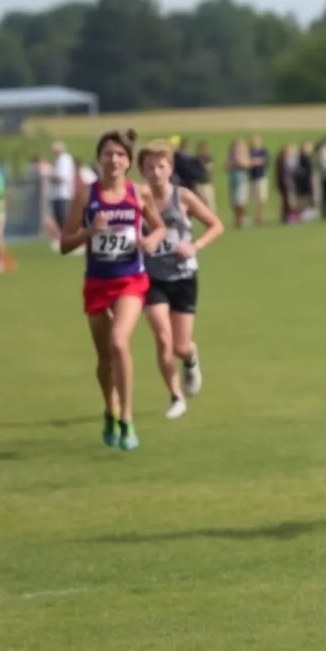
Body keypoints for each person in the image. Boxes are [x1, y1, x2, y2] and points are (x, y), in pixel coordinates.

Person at [60, 130, 165, 451]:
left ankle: (128, 418)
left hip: (130, 280)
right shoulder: (85, 195)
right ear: (99, 158)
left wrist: (151, 240)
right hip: (97, 282)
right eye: (108, 154)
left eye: (120, 155)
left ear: (129, 162)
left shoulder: (139, 193)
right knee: (104, 357)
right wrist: (90, 232)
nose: (114, 160)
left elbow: (159, 226)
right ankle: (110, 408)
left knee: (120, 342)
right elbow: (65, 243)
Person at [138, 140, 224, 419]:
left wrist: (194, 246)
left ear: (170, 168)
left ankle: (190, 358)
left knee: (180, 345)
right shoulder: (137, 200)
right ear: (142, 170)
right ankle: (176, 397)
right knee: (163, 338)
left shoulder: (182, 197)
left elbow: (216, 225)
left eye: (161, 166)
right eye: (149, 167)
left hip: (184, 275)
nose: (155, 172)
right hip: (152, 278)